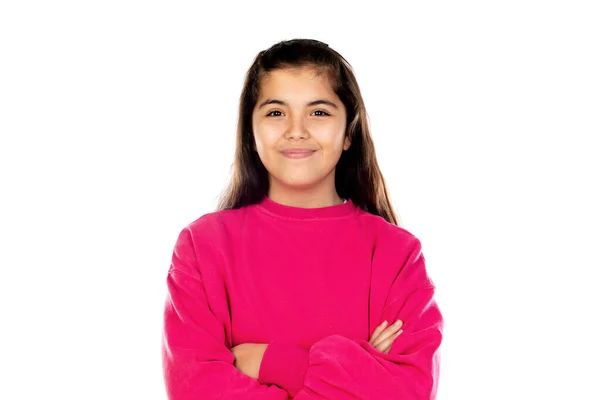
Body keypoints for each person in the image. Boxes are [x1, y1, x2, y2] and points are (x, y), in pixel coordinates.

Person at [161, 38, 444, 399]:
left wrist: (268, 361)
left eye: (319, 112)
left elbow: (410, 391)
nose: (297, 130)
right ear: (251, 132)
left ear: (348, 134)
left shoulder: (396, 254)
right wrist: (356, 370)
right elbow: (195, 388)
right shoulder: (202, 247)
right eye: (276, 112)